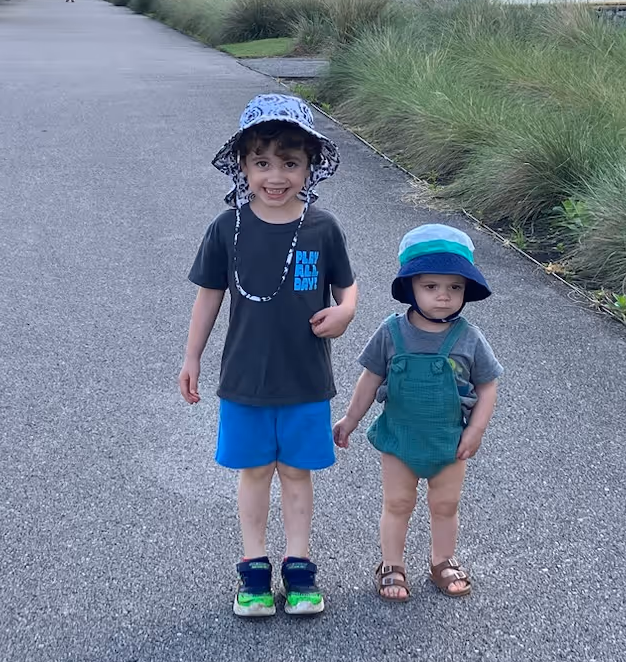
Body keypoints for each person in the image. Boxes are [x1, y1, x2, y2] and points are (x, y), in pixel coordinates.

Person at [181, 94, 358, 618]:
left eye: (290, 163)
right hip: (244, 381)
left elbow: (348, 290)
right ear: (243, 165)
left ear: (310, 167)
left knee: (297, 473)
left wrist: (345, 312)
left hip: (305, 380)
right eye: (262, 163)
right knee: (255, 472)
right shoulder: (226, 228)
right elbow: (208, 295)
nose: (275, 177)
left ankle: (299, 568)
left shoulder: (322, 228)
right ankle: (254, 571)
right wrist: (192, 357)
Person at [332, 225, 502, 602]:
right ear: (410, 287)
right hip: (399, 437)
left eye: (454, 287)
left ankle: (442, 560)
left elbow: (488, 385)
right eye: (431, 287)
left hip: (449, 439)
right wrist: (350, 419)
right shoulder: (391, 332)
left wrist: (476, 429)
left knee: (445, 504)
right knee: (397, 503)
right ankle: (391, 565)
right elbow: (369, 378)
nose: (443, 296)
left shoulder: (469, 338)